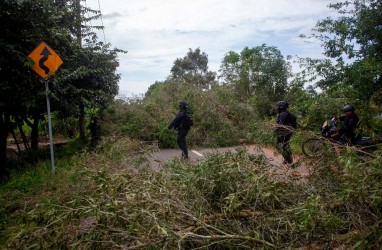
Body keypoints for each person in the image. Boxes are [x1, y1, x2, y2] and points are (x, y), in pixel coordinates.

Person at [275, 101, 294, 165]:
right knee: (284, 145)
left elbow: (281, 124)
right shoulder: (286, 113)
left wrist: (276, 128)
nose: (277, 107)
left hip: (285, 132)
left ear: (281, 107)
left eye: (278, 106)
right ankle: (288, 159)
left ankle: (288, 159)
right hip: (288, 131)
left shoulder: (283, 114)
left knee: (280, 145)